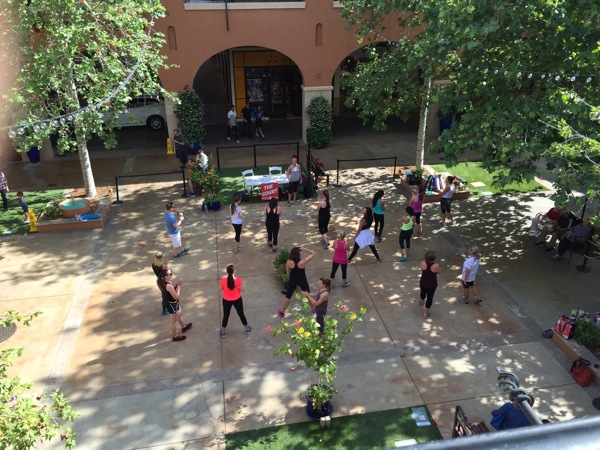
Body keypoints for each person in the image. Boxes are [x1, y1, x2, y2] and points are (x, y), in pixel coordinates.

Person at [278, 246, 316, 318]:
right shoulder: (303, 261)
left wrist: (290, 280)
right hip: (302, 280)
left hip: (293, 280)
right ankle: (314, 309)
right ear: (298, 254)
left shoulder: (289, 261)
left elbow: (288, 272)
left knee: (288, 296)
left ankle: (282, 312)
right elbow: (313, 253)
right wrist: (305, 248)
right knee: (307, 295)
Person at [158, 269, 192, 342]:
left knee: (179, 313)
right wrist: (179, 286)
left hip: (174, 302)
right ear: (165, 276)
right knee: (174, 322)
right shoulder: (168, 285)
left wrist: (176, 285)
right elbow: (176, 296)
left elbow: (173, 291)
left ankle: (184, 327)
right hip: (171, 305)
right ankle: (175, 337)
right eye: (170, 274)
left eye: (171, 273)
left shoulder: (168, 281)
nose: (171, 275)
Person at [218, 265, 251, 338]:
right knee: (241, 314)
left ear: (227, 272)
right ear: (234, 271)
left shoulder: (223, 280)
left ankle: (223, 332)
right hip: (237, 300)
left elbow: (219, 289)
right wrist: (237, 289)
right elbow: (242, 290)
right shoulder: (238, 280)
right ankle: (247, 329)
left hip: (226, 300)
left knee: (226, 316)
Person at [419, 250, 441, 319]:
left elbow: (421, 268)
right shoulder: (436, 266)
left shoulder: (423, 263)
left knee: (422, 292)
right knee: (430, 298)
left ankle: (422, 300)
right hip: (432, 284)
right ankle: (425, 312)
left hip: (423, 282)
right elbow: (439, 272)